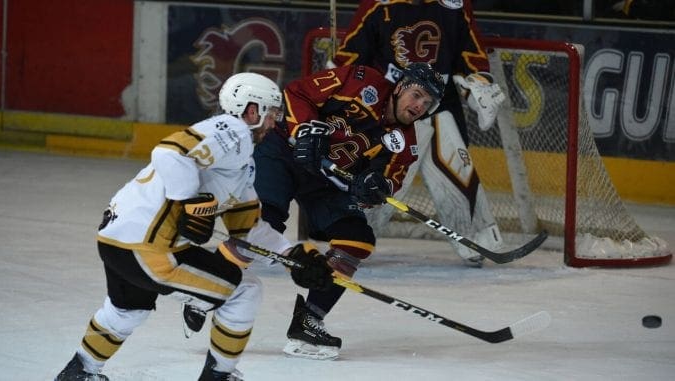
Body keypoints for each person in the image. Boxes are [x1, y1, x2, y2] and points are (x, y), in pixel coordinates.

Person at [54, 72, 334, 381]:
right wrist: (190, 202)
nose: (274, 123)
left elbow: (248, 229)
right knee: (244, 291)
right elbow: (169, 153)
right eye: (272, 113)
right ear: (251, 110)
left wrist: (294, 254)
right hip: (148, 248)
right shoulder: (234, 130)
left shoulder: (241, 161)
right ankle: (219, 376)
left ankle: (78, 372)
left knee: (127, 310)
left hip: (116, 239)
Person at [253, 62, 445, 360]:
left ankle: (309, 320)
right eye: (417, 95)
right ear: (401, 86)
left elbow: (390, 182)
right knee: (264, 227)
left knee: (357, 239)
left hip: (325, 184)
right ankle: (213, 283)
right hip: (286, 153)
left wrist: (374, 188)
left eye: (427, 103)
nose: (419, 105)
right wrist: (305, 130)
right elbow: (296, 92)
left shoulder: (405, 143)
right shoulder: (360, 81)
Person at [331, 0, 506, 267]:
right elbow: (352, 57)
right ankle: (351, 239)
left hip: (438, 104)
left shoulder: (454, 4)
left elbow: (469, 53)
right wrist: (338, 90)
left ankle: (477, 238)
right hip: (392, 108)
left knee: (456, 167)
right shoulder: (378, 4)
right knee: (383, 179)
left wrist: (478, 84)